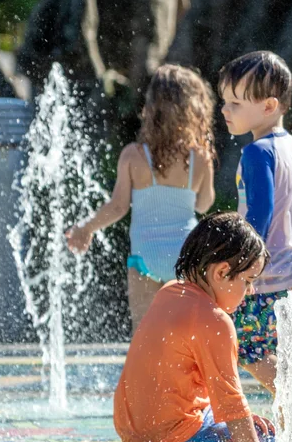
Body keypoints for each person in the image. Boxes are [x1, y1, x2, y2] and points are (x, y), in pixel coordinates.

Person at [114, 212, 276, 442]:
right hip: (172, 437)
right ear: (221, 273)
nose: (251, 290)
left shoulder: (169, 292)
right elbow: (233, 405)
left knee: (252, 428)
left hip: (136, 433)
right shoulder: (214, 320)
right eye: (247, 281)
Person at [66, 64, 216, 331]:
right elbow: (204, 204)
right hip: (186, 256)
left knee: (145, 338)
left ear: (152, 109)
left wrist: (86, 228)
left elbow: (118, 206)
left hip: (145, 256)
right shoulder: (200, 158)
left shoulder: (133, 155)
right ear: (194, 109)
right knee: (185, 337)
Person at [218, 51, 292, 395]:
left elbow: (260, 212)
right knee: (289, 355)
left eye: (235, 102)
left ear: (268, 106)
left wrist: (242, 268)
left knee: (247, 350)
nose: (225, 110)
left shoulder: (257, 152)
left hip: (268, 276)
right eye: (224, 101)